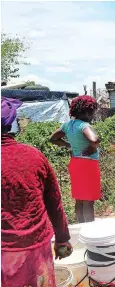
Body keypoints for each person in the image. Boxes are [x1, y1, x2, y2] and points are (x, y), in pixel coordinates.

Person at [1, 97, 72, 287]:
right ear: (11, 125)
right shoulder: (34, 156)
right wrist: (62, 239)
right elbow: (54, 201)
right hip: (37, 244)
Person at [50, 95, 100, 223]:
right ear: (87, 112)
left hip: (75, 164)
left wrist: (69, 145)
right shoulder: (84, 125)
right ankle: (90, 230)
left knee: (79, 199)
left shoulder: (68, 125)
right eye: (93, 112)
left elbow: (53, 138)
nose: (93, 115)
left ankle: (81, 226)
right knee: (88, 200)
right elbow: (94, 140)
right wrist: (93, 148)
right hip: (88, 165)